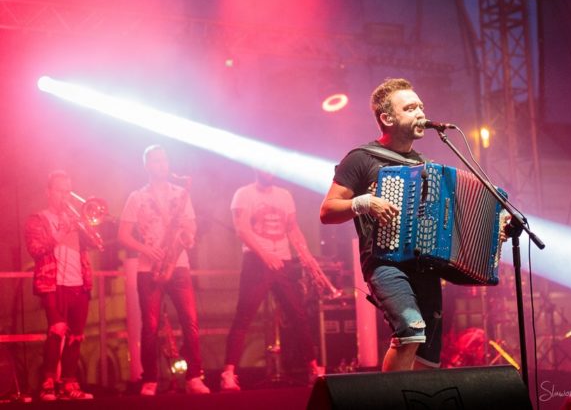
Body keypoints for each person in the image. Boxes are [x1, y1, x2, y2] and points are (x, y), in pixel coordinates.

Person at [320, 78, 448, 371]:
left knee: (429, 354)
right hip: (384, 263)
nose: (421, 113)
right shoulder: (361, 159)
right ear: (387, 118)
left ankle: (419, 397)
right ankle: (389, 396)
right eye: (410, 108)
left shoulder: (425, 165)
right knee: (410, 329)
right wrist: (365, 202)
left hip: (423, 266)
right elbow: (327, 211)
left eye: (421, 106)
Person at [118, 145, 210, 395]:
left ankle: (194, 377)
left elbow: (190, 228)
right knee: (150, 326)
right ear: (147, 165)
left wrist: (188, 237)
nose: (163, 165)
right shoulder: (137, 197)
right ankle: (150, 379)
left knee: (190, 322)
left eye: (165, 160)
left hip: (179, 265)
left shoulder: (181, 194)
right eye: (157, 161)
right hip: (149, 268)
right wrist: (146, 250)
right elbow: (123, 235)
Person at [221, 168, 322, 391]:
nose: (269, 171)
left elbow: (292, 228)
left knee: (298, 314)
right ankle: (228, 373)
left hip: (283, 261)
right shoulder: (243, 194)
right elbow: (242, 230)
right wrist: (265, 255)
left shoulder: (285, 195)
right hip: (256, 261)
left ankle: (314, 369)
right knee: (244, 317)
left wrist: (305, 255)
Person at [24, 170, 94, 400]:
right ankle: (48, 383)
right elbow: (35, 249)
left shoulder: (75, 219)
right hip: (53, 283)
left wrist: (85, 224)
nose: (65, 195)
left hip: (79, 282)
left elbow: (96, 244)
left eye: (68, 191)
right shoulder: (38, 219)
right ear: (48, 192)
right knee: (56, 331)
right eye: (60, 190)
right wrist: (59, 233)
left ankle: (69, 383)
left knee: (76, 336)